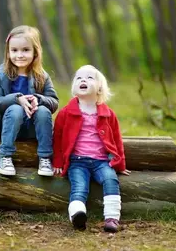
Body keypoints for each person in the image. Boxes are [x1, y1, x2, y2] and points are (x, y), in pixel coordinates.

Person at [52, 65, 131, 233]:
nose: (83, 80)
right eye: (79, 77)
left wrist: (120, 164)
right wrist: (58, 161)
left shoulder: (108, 114)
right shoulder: (66, 113)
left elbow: (117, 139)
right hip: (77, 162)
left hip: (102, 162)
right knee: (79, 187)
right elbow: (57, 138)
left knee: (111, 180)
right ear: (74, 86)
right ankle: (77, 215)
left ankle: (111, 218)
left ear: (100, 87)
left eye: (89, 77)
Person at [0, 25, 59, 177]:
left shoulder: (42, 76)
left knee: (43, 110)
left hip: (34, 128)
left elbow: (54, 101)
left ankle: (45, 158)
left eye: (25, 50)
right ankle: (5, 156)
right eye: (14, 50)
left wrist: (38, 99)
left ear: (35, 52)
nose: (20, 55)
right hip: (8, 126)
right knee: (16, 108)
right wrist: (17, 99)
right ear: (8, 52)